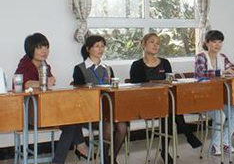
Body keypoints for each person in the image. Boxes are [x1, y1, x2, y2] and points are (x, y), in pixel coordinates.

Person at [15, 33, 89, 164]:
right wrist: (43, 81)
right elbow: (25, 83)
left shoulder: (45, 65)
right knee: (72, 120)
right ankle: (80, 145)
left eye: (46, 47)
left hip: (46, 110)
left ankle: (59, 160)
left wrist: (49, 80)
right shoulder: (25, 64)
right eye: (39, 48)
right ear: (31, 49)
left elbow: (49, 83)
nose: (44, 51)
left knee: (72, 119)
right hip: (29, 113)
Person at [130, 33, 202, 164]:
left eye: (157, 43)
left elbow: (170, 82)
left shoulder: (165, 62)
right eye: (152, 42)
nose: (155, 45)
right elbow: (138, 88)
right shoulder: (137, 65)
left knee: (168, 111)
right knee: (170, 111)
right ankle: (187, 134)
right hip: (147, 102)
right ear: (143, 45)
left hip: (166, 101)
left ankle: (165, 150)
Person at [73, 35, 127, 164]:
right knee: (107, 126)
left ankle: (111, 157)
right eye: (96, 46)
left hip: (109, 110)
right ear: (88, 49)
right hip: (90, 112)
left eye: (102, 46)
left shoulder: (108, 69)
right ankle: (104, 160)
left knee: (122, 127)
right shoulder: (79, 68)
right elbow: (78, 94)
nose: (100, 49)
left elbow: (113, 91)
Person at [194, 30, 234, 156]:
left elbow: (231, 67)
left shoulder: (222, 57)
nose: (217, 45)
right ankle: (215, 145)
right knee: (220, 115)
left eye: (220, 42)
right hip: (203, 98)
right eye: (214, 42)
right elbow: (200, 73)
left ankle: (225, 142)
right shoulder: (201, 56)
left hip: (219, 99)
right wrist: (222, 72)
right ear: (207, 43)